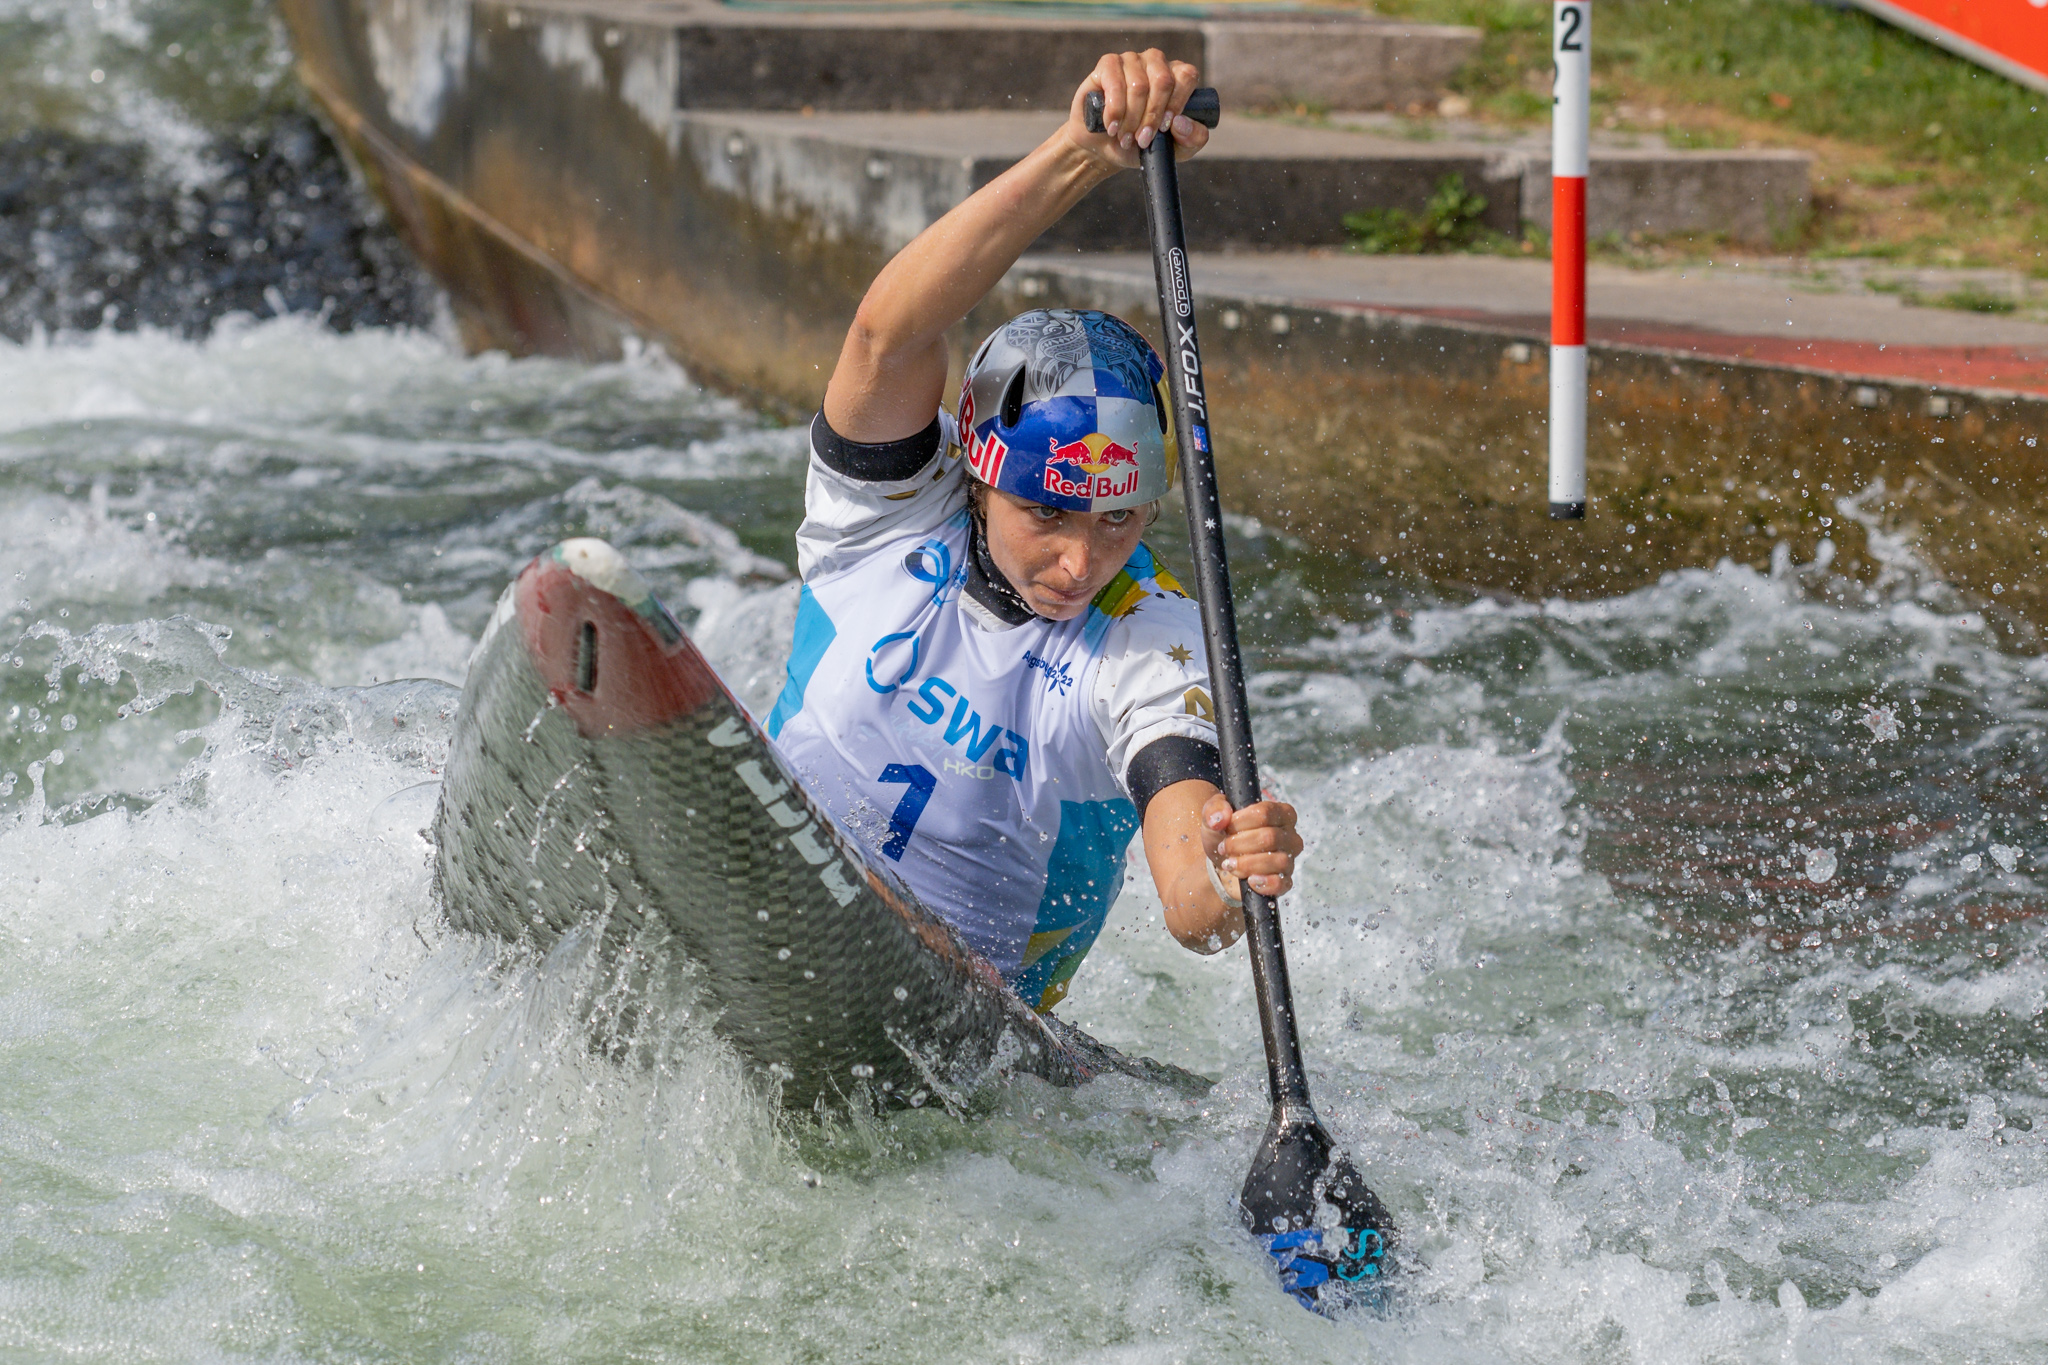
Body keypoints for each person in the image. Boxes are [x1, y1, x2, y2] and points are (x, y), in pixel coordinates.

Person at [768, 51, 1303, 1013]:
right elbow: (890, 334)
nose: (1079, 560)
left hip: (969, 1017)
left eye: (1118, 520)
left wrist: (1227, 878)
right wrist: (1077, 153)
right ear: (977, 473)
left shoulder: (1154, 635)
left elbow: (1188, 894)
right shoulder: (886, 513)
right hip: (769, 896)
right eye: (1046, 511)